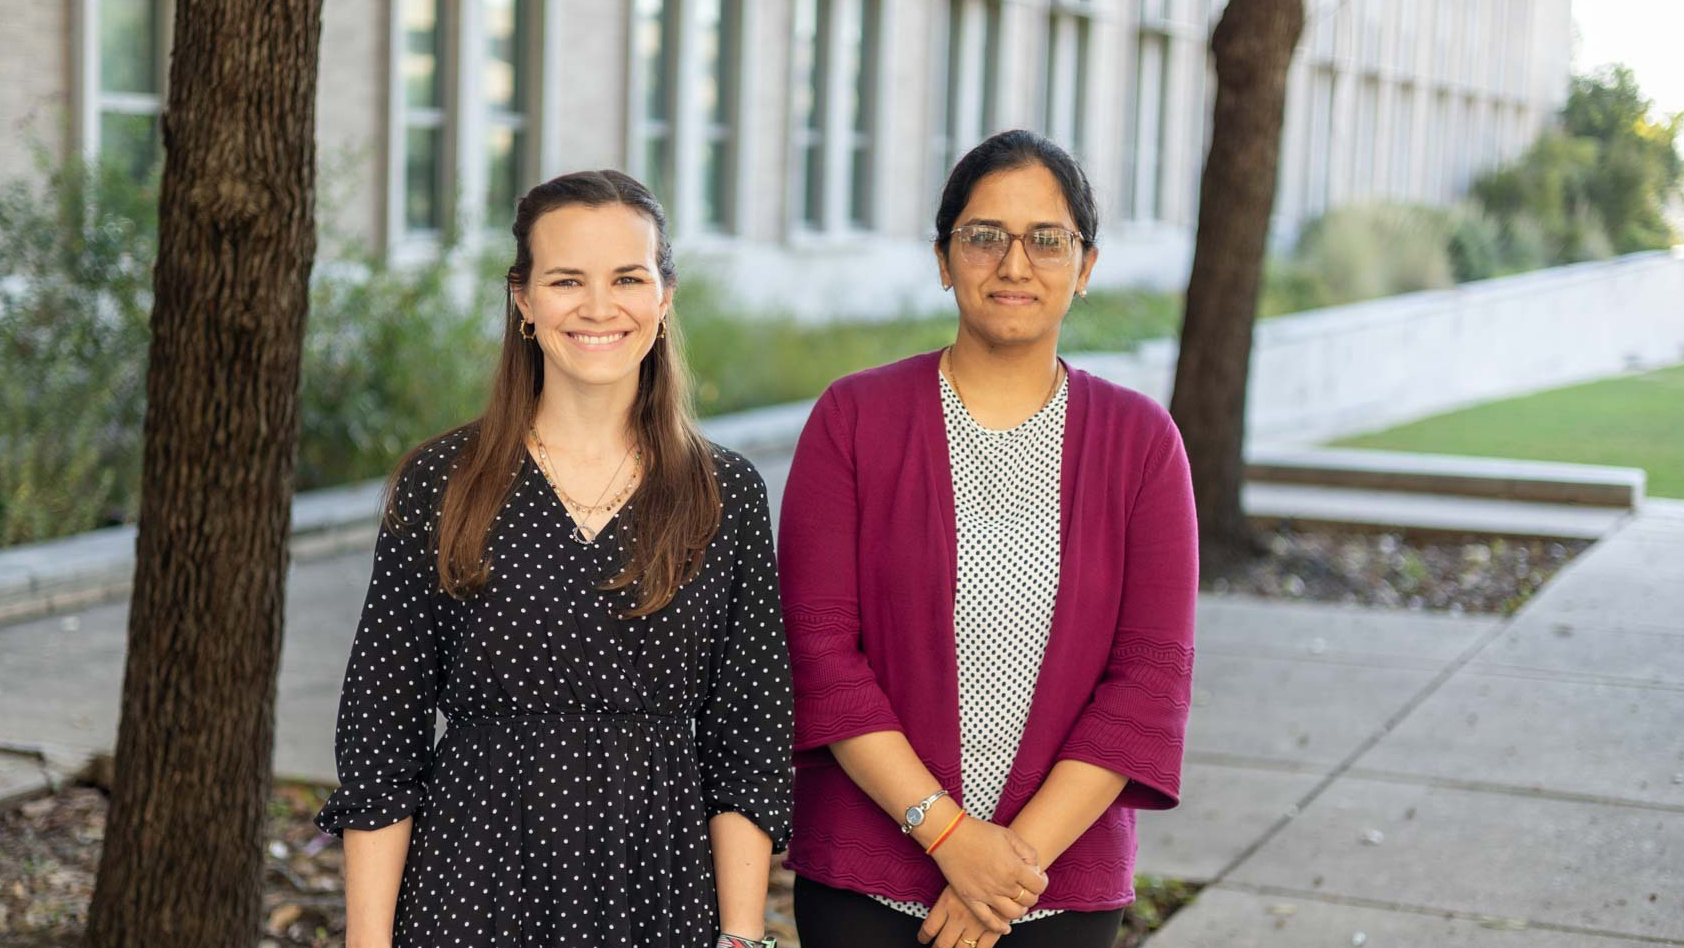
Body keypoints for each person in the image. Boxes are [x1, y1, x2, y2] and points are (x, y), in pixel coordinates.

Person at [314, 169, 792, 948]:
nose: (599, 307)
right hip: (471, 891)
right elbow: (381, 738)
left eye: (628, 278)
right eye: (567, 279)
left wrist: (740, 937)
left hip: (660, 896)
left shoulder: (722, 492)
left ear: (664, 297)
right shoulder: (443, 482)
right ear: (524, 299)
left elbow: (750, 742)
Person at [778, 130, 1199, 948]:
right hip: (867, 881)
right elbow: (819, 650)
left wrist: (1000, 871)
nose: (1015, 265)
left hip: (1056, 889)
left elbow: (1147, 681)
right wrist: (948, 837)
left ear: (1085, 267)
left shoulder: (1143, 442)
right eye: (984, 237)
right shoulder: (853, 420)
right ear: (943, 258)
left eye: (1047, 240)